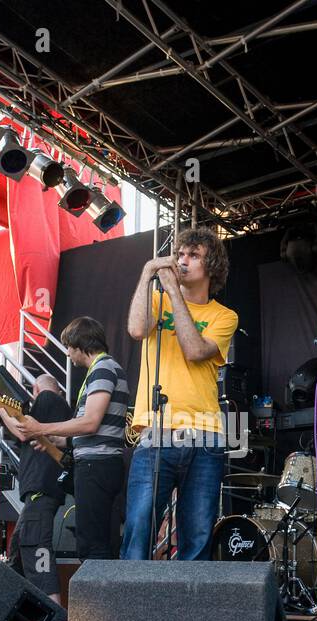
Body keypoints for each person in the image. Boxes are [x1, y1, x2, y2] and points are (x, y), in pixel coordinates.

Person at [121, 226, 238, 560]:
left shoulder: (224, 316)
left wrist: (173, 293)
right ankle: (130, 608)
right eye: (180, 254)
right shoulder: (156, 300)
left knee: (197, 534)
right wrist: (147, 274)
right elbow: (136, 329)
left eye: (194, 255)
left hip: (205, 434)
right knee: (139, 529)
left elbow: (195, 349)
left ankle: (188, 610)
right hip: (157, 430)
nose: (183, 261)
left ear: (211, 267)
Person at [21, 317, 131, 562]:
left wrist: (40, 427)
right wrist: (55, 440)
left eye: (69, 346)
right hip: (99, 463)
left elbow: (91, 422)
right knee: (96, 541)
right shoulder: (103, 370)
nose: (68, 353)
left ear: (81, 344)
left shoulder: (103, 369)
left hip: (97, 466)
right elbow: (94, 430)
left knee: (93, 546)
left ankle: (97, 599)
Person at [0, 374, 73, 603]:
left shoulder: (46, 399)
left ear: (36, 389)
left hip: (41, 492)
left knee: (37, 551)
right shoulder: (56, 410)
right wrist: (3, 416)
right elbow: (23, 436)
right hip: (40, 494)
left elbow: (22, 430)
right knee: (17, 558)